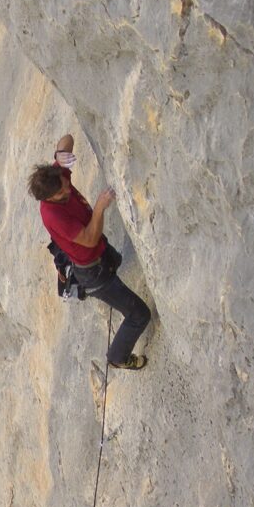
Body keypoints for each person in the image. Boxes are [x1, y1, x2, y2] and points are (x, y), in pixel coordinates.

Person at [29, 134, 151, 370]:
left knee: (116, 261)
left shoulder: (58, 176)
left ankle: (116, 292)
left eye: (66, 183)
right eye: (63, 190)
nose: (68, 186)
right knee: (139, 315)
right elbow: (89, 237)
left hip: (101, 256)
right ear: (50, 198)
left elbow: (67, 139)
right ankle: (118, 357)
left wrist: (60, 154)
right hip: (93, 272)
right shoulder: (53, 215)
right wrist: (100, 207)